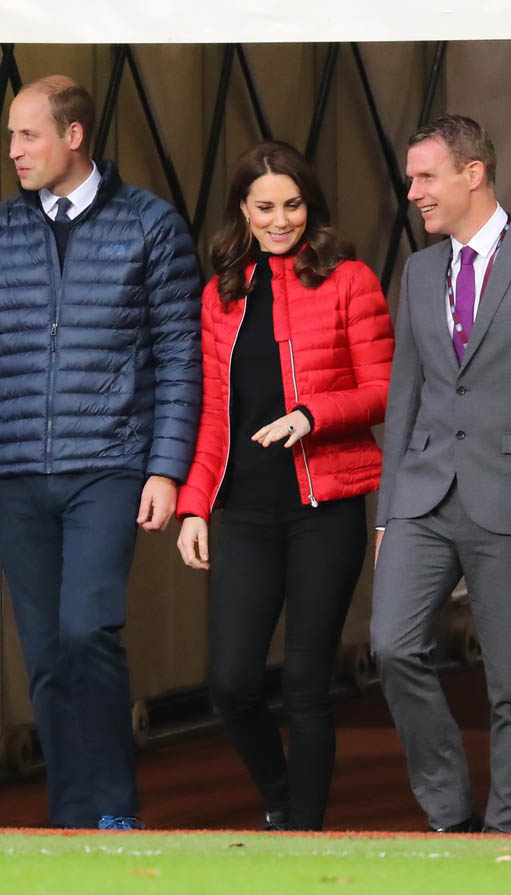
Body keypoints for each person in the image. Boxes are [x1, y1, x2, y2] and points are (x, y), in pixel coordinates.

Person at [0, 75, 201, 830]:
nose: (14, 151)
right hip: (19, 471)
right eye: (11, 137)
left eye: (29, 135)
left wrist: (165, 468)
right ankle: (72, 817)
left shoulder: (150, 225)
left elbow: (181, 357)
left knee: (88, 631)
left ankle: (115, 809)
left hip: (109, 466)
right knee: (47, 654)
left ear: (74, 135)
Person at [371, 114, 511, 834]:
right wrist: (387, 511)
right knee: (392, 647)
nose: (414, 192)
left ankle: (510, 840)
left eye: (426, 177)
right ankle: (450, 817)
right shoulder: (419, 271)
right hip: (422, 496)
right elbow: (404, 394)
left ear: (473, 174)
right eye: (411, 178)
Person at [175, 141, 394, 830]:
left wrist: (311, 415)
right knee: (232, 682)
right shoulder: (221, 293)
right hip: (244, 511)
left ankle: (303, 831)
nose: (280, 221)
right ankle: (280, 800)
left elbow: (386, 389)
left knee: (305, 686)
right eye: (265, 207)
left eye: (292, 205)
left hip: (324, 508)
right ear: (242, 210)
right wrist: (193, 507)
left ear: (310, 206)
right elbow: (214, 414)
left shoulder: (350, 280)